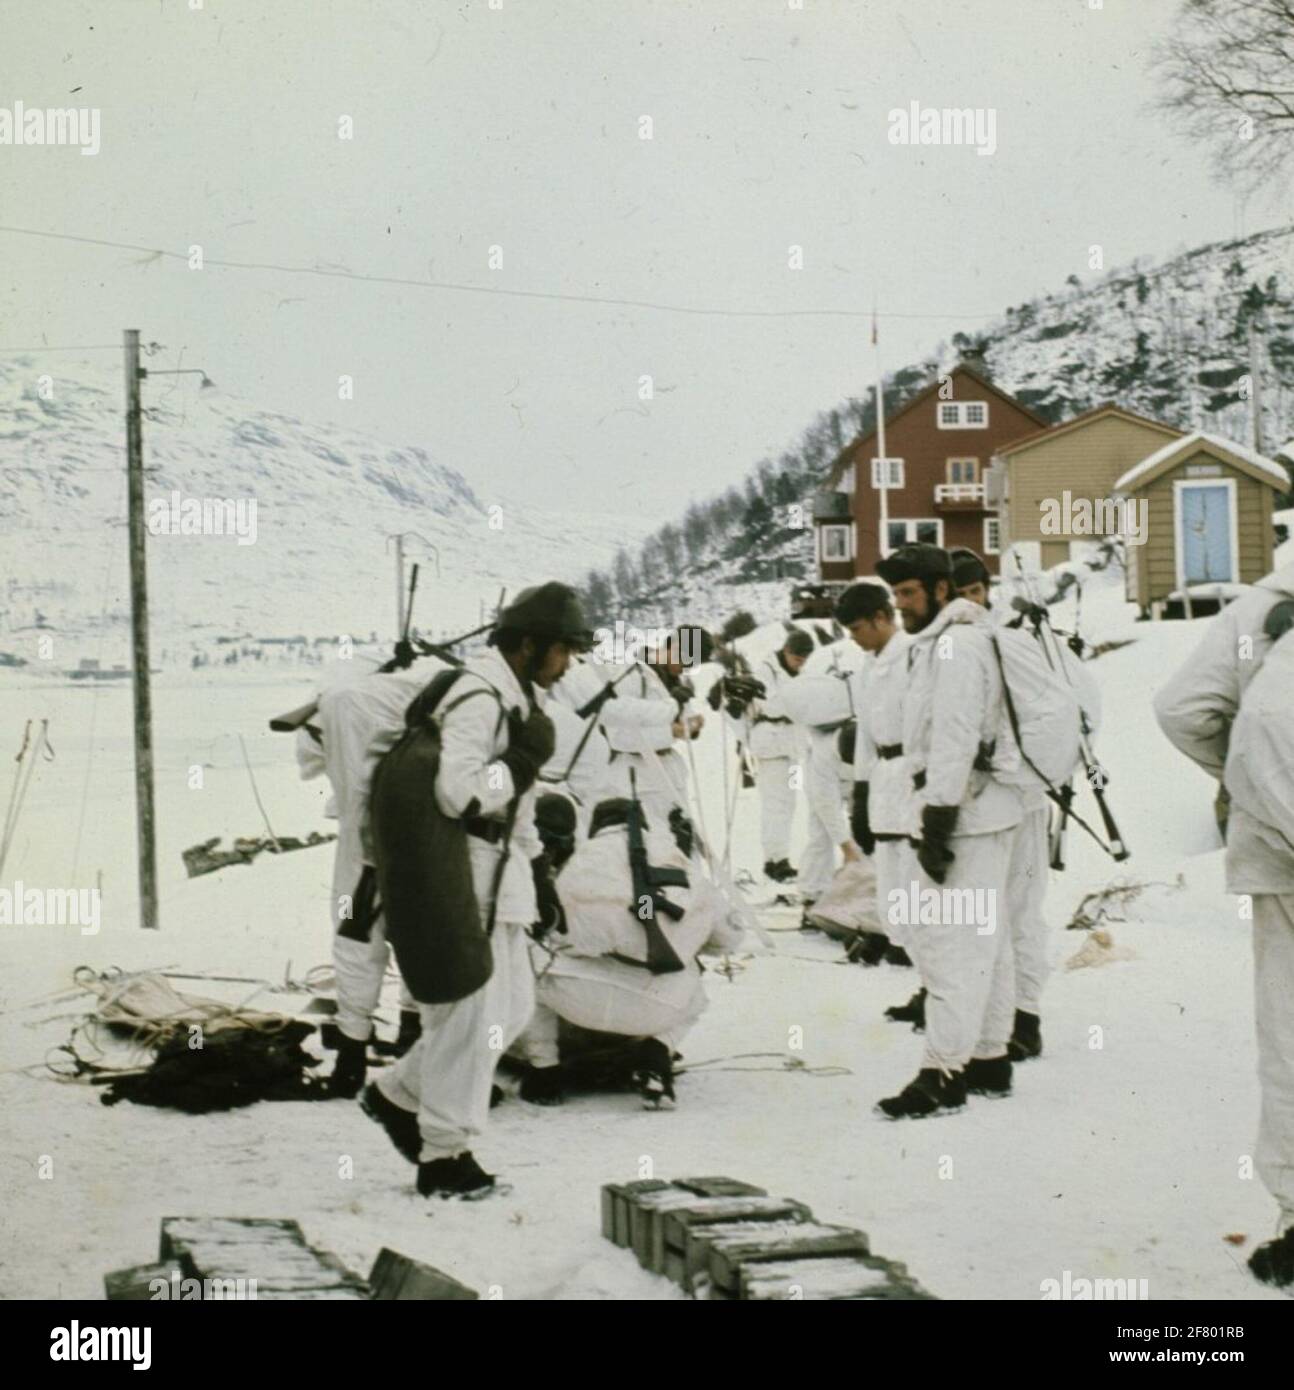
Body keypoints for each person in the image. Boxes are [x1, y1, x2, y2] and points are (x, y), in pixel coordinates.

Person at [361, 581, 591, 1199]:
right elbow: (459, 792)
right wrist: (520, 764)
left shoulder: (508, 695)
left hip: (503, 863)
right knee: (471, 1012)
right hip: (468, 866)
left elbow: (514, 803)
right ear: (528, 645)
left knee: (511, 1009)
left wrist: (539, 870)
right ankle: (444, 1155)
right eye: (563, 649)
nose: (567, 662)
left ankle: (396, 1093)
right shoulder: (482, 696)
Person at [1154, 559, 1294, 1287]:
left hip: (1279, 853)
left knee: (1289, 1033)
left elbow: (1181, 709)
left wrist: (1245, 785)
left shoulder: (1260, 605)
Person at [873, 543, 1022, 1119]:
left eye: (909, 593)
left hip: (965, 812)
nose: (902, 605)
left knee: (953, 942)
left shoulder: (957, 646)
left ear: (940, 590)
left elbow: (955, 734)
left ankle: (942, 1070)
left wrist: (938, 815)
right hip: (984, 810)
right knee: (989, 938)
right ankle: (988, 1056)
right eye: (896, 595)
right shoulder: (951, 641)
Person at [950, 546, 1049, 1061]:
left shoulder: (1012, 641)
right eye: (962, 593)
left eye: (976, 591)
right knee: (992, 915)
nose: (971, 601)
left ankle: (1026, 1015)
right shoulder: (985, 642)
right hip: (998, 802)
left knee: (1021, 910)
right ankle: (999, 1014)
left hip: (1023, 798)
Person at [839, 582, 916, 974]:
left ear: (881, 617)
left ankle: (919, 952)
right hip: (882, 774)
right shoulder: (869, 665)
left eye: (857, 628)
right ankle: (897, 939)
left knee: (912, 868)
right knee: (888, 867)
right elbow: (866, 733)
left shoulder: (913, 654)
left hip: (911, 769)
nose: (854, 639)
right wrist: (860, 790)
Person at [722, 629, 814, 883]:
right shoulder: (767, 670)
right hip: (771, 746)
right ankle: (775, 860)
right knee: (775, 806)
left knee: (789, 804)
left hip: (793, 747)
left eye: (804, 659)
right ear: (786, 651)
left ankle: (779, 856)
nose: (800, 663)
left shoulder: (801, 673)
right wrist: (797, 702)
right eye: (797, 658)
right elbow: (773, 704)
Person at [597, 625, 710, 832]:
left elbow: (679, 718)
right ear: (674, 646)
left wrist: (691, 726)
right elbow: (619, 736)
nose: (686, 668)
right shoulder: (630, 673)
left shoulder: (673, 679)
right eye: (686, 660)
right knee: (656, 851)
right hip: (638, 778)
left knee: (683, 841)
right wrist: (670, 733)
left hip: (669, 774)